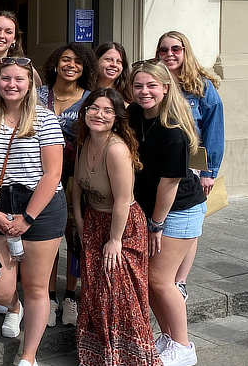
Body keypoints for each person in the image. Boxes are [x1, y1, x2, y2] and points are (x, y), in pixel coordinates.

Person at [0, 56, 66, 366]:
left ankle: (28, 356)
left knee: (36, 287)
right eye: (6, 79)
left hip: (40, 208)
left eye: (19, 79)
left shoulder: (44, 118)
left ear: (30, 85)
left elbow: (52, 174)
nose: (11, 85)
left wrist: (27, 218)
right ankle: (14, 308)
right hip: (1, 206)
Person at [71, 88, 161, 366]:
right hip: (94, 222)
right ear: (85, 112)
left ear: (116, 117)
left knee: (121, 295)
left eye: (107, 110)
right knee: (96, 292)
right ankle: (100, 356)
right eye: (94, 108)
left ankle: (131, 358)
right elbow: (76, 186)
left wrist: (115, 240)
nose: (99, 114)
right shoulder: (85, 142)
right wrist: (80, 221)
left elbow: (123, 200)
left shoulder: (117, 149)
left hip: (121, 227)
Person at [129, 60, 206, 366]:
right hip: (154, 209)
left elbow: (169, 184)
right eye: (138, 85)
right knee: (149, 280)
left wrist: (156, 224)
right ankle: (169, 337)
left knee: (161, 280)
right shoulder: (134, 114)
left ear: (164, 88)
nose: (144, 91)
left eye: (151, 86)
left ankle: (184, 347)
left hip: (178, 210)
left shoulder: (172, 128)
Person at [156, 31, 224, 302]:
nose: (169, 54)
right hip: (159, 163)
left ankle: (180, 281)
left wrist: (208, 173)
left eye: (176, 49)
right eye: (164, 50)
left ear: (186, 51)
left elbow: (213, 132)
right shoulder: (154, 80)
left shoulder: (202, 87)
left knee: (189, 224)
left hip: (192, 167)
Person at [36, 42, 96, 328]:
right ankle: (48, 297)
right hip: (40, 175)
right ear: (55, 64)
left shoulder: (89, 99)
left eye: (77, 62)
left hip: (76, 178)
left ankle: (70, 296)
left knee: (74, 238)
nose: (71, 65)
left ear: (85, 68)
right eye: (65, 60)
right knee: (48, 237)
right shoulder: (37, 95)